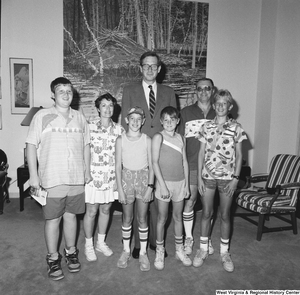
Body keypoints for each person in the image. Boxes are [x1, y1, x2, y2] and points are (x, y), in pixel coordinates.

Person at [26, 77, 91, 281]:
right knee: (53, 219)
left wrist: (87, 170)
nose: (65, 94)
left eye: (69, 91)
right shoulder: (42, 116)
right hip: (52, 178)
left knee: (71, 216)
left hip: (76, 178)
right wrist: (33, 176)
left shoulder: (80, 117)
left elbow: (86, 145)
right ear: (53, 95)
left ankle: (71, 252)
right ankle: (53, 258)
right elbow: (30, 145)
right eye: (60, 91)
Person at [121, 51, 177, 258]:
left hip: (161, 152)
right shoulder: (129, 90)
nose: (150, 69)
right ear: (140, 68)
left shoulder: (169, 92)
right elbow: (124, 125)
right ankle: (138, 244)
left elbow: (173, 124)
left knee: (156, 199)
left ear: (159, 69)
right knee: (139, 199)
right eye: (146, 65)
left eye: (154, 66)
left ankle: (155, 241)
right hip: (138, 152)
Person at [193, 89, 247, 272]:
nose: (221, 106)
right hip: (207, 177)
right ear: (213, 106)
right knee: (206, 213)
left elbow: (239, 156)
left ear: (230, 106)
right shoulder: (206, 127)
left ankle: (225, 252)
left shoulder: (236, 128)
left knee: (225, 215)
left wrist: (235, 179)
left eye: (225, 103)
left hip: (227, 179)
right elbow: (201, 153)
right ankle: (202, 249)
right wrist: (199, 177)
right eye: (218, 103)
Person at [83, 93, 125, 262]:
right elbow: (85, 150)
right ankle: (88, 244)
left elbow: (121, 157)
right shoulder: (90, 127)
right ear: (98, 108)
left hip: (111, 177)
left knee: (106, 209)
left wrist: (118, 179)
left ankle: (100, 242)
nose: (107, 109)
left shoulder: (119, 130)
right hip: (93, 176)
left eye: (110, 106)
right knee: (91, 211)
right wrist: (86, 172)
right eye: (104, 105)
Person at [177, 77, 216, 256]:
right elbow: (180, 141)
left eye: (207, 88)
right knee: (190, 201)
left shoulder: (220, 112)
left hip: (214, 168)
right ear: (195, 91)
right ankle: (188, 238)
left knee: (209, 207)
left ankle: (205, 239)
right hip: (192, 164)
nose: (203, 92)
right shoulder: (185, 112)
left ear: (212, 91)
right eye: (200, 89)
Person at [152, 106, 191, 270]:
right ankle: (159, 251)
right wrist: (162, 185)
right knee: (162, 218)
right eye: (166, 120)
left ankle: (179, 249)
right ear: (161, 121)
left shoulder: (182, 138)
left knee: (178, 217)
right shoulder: (158, 137)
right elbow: (154, 162)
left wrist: (187, 184)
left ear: (178, 121)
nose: (169, 123)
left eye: (172, 120)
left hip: (180, 183)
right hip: (164, 184)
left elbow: (185, 162)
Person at [115, 106, 154, 271]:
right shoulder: (120, 140)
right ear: (126, 120)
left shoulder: (147, 139)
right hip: (126, 181)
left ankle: (143, 253)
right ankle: (125, 250)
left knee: (143, 218)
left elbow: (152, 166)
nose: (135, 122)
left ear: (143, 121)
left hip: (143, 180)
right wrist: (120, 189)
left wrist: (150, 187)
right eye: (132, 119)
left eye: (139, 119)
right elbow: (117, 167)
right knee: (127, 218)